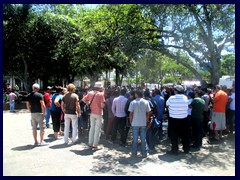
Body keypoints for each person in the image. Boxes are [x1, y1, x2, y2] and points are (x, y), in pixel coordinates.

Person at [166, 85, 190, 155]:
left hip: (173, 119)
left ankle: (174, 150)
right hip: (184, 119)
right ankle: (186, 149)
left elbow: (167, 105)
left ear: (176, 91)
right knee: (185, 135)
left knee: (174, 136)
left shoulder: (171, 98)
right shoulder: (185, 97)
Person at [82, 82, 105, 150]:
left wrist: (88, 103)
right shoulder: (101, 94)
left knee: (92, 128)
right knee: (97, 129)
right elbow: (102, 105)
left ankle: (90, 143)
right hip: (98, 113)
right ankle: (95, 145)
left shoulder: (90, 93)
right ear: (100, 87)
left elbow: (83, 99)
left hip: (91, 112)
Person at [128, 90, 151, 158]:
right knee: (143, 138)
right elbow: (149, 112)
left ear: (136, 94)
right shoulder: (146, 102)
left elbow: (131, 113)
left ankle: (134, 153)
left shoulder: (133, 102)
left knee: (135, 139)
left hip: (135, 123)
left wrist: (131, 121)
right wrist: (147, 119)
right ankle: (144, 153)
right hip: (143, 122)